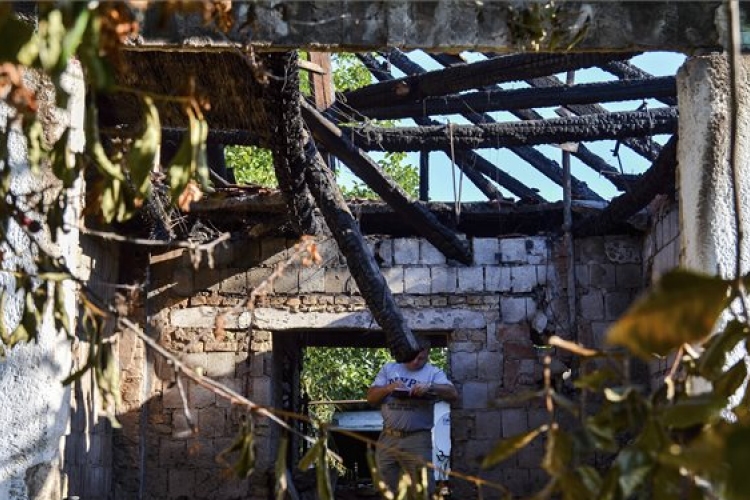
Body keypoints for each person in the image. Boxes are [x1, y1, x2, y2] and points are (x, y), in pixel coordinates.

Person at [366, 338, 458, 496]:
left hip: (417, 439)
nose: (416, 362)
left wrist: (431, 387)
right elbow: (371, 397)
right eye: (413, 356)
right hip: (388, 436)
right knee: (386, 487)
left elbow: (452, 393)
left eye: (421, 358)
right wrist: (389, 388)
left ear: (428, 355)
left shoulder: (433, 372)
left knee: (422, 488)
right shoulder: (389, 369)